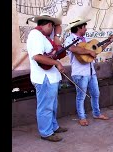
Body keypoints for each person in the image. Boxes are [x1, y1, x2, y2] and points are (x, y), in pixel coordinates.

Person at [64, 17, 113, 126]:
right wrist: (89, 51)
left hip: (91, 72)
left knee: (96, 94)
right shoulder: (70, 39)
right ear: (79, 27)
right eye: (84, 27)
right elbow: (74, 49)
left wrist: (108, 42)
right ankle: (82, 117)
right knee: (81, 96)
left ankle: (97, 113)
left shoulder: (86, 39)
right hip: (80, 73)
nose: (86, 29)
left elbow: (96, 49)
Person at [26, 13, 68, 142]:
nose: (54, 31)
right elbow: (37, 56)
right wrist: (57, 63)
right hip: (43, 78)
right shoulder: (35, 35)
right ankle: (46, 132)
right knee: (45, 106)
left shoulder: (44, 36)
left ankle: (53, 126)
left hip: (50, 77)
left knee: (52, 105)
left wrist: (57, 34)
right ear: (49, 25)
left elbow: (55, 50)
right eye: (53, 28)